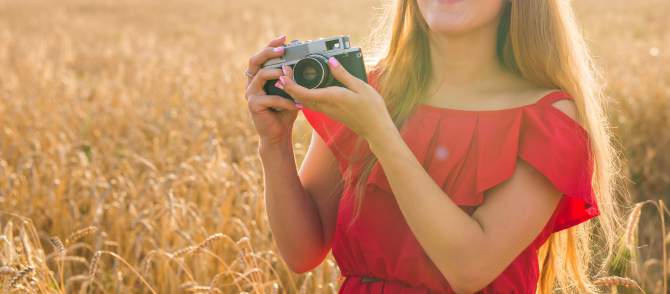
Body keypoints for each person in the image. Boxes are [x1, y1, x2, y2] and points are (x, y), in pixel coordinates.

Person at [242, 0, 624, 292]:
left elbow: (469, 268)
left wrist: (380, 132)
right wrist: (273, 144)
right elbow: (301, 252)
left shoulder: (548, 118)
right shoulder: (365, 90)